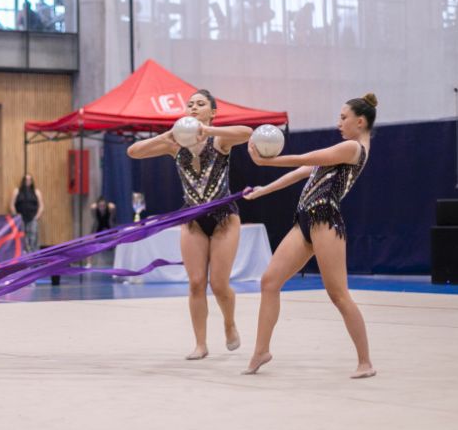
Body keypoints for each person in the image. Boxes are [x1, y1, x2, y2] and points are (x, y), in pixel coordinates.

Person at [242, 94, 379, 379]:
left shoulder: (353, 148)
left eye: (343, 117)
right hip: (305, 220)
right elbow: (302, 171)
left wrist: (267, 161)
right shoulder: (342, 152)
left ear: (360, 121)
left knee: (338, 294)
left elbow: (308, 157)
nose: (339, 122)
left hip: (325, 221)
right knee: (269, 282)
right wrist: (263, 190)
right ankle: (261, 350)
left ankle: (365, 362)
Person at [127, 90, 252, 360]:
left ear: (212, 112)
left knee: (219, 284)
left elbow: (247, 133)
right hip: (192, 218)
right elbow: (133, 152)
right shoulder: (176, 146)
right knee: (196, 283)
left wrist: (207, 130)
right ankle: (200, 344)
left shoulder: (219, 140)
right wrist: (167, 136)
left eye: (200, 104)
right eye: (190, 104)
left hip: (224, 217)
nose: (193, 107)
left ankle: (229, 323)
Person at [10, 174, 44, 254]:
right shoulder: (17, 191)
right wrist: (17, 217)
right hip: (21, 219)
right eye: (26, 179)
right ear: (23, 181)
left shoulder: (36, 192)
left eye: (29, 179)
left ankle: (34, 255)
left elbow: (41, 206)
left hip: (32, 218)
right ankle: (23, 256)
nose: (28, 181)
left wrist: (37, 217)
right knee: (22, 239)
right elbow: (11, 205)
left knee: (33, 238)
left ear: (32, 181)